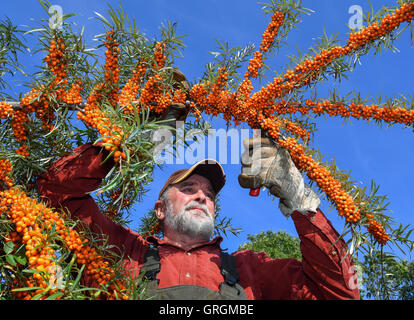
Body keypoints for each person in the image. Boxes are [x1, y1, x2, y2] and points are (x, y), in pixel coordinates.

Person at [36, 129, 361, 300]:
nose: (202, 196)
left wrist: (300, 199)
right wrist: (129, 141)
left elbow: (342, 292)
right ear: (160, 208)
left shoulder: (250, 271)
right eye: (188, 188)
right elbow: (56, 192)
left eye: (209, 193)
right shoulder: (125, 254)